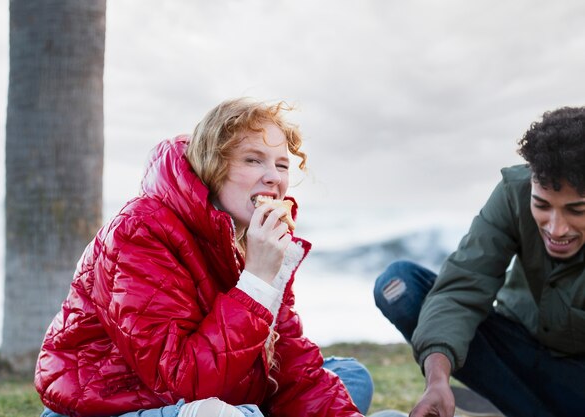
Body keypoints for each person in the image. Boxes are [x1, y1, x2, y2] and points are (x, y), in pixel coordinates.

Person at [35, 98, 386, 417]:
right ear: (213, 165)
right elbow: (182, 381)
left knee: (350, 376)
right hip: (116, 403)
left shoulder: (248, 236)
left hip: (223, 392)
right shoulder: (140, 230)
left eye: (281, 165)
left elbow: (288, 361)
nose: (273, 177)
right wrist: (256, 280)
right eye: (253, 160)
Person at [373, 106, 585, 417]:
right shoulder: (514, 193)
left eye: (576, 211)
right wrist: (436, 380)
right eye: (541, 205)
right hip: (515, 349)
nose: (556, 228)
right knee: (399, 285)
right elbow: (462, 288)